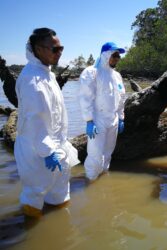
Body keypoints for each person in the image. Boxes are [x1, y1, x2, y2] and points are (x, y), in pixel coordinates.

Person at [14, 28, 80, 218]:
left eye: (61, 48)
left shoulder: (47, 74)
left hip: (56, 146)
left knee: (60, 194)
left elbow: (55, 114)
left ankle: (60, 230)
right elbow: (34, 120)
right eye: (55, 49)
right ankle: (29, 234)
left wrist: (59, 147)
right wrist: (48, 151)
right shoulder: (31, 80)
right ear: (38, 49)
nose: (59, 52)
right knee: (34, 194)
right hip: (37, 151)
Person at [79, 42, 126, 181]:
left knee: (108, 153)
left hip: (113, 120)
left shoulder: (117, 76)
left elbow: (121, 98)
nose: (117, 58)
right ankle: (90, 180)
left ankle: (103, 178)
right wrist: (89, 120)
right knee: (95, 154)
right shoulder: (91, 72)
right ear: (105, 55)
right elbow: (85, 98)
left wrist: (121, 117)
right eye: (115, 55)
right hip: (97, 120)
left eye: (118, 56)